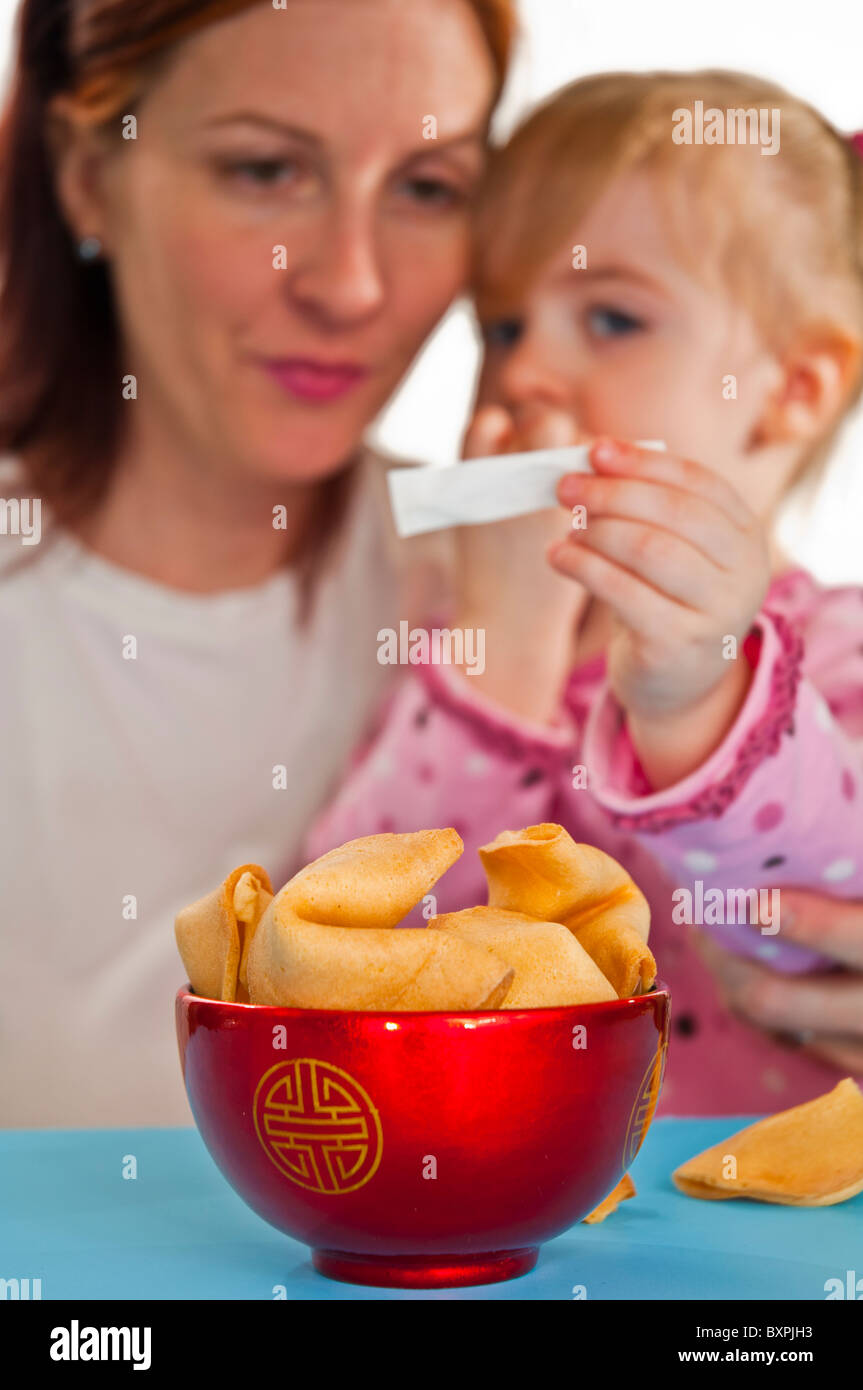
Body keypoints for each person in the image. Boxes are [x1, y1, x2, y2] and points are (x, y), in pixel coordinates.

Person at [0, 0, 517, 1127]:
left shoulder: (531, 571)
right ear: (87, 176)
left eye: (428, 186)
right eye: (266, 170)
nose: (351, 286)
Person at [305, 71, 863, 1114]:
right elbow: (337, 956)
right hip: (516, 1224)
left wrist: (693, 694)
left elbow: (816, 904)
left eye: (609, 318)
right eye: (502, 329)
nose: (527, 378)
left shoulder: (833, 654)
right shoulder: (454, 656)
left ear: (790, 390)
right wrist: (503, 642)